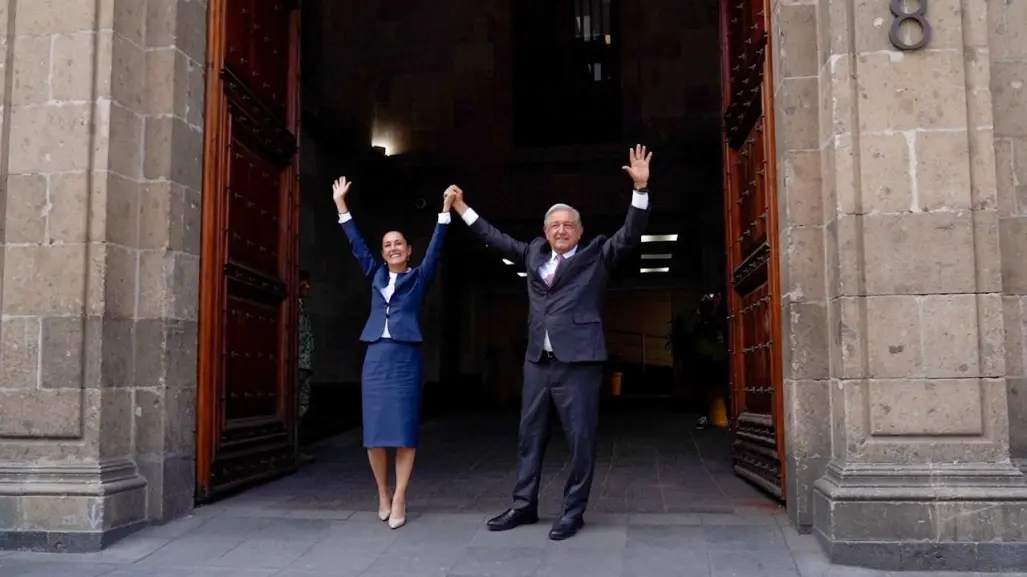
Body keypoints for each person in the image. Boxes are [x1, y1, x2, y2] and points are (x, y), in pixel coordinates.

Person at [450, 144, 653, 540]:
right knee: (529, 436)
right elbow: (495, 237)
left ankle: (572, 513)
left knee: (580, 440)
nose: (560, 230)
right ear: (545, 232)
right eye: (554, 225)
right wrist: (461, 209)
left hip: (578, 362)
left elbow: (630, 234)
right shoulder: (532, 254)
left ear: (579, 231)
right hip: (537, 363)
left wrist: (641, 190)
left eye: (568, 225)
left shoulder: (597, 254)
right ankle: (524, 505)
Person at [333, 176, 456, 530]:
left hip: (404, 360)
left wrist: (444, 213)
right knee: (374, 433)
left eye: (398, 243)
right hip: (376, 357)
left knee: (403, 432)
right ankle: (382, 494)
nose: (392, 248)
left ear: (408, 249)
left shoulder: (419, 277)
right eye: (387, 245)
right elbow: (356, 245)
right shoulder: (374, 274)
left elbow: (435, 249)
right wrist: (342, 206)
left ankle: (401, 495)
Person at [297, 270, 314, 465]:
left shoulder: (301, 307)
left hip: (305, 364)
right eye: (304, 283)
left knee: (302, 405)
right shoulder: (290, 307)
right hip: (298, 365)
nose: (308, 288)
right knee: (295, 407)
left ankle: (295, 448)